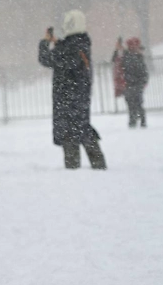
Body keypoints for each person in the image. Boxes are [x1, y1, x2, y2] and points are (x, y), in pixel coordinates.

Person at [38, 10, 107, 170]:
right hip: (79, 96)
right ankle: (98, 165)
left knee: (70, 133)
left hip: (67, 98)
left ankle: (74, 168)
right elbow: (67, 55)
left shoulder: (70, 48)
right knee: (83, 128)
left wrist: (44, 42)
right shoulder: (81, 43)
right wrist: (59, 43)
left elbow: (46, 58)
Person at [122, 38, 149, 128]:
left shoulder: (133, 57)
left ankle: (138, 120)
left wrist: (142, 81)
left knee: (136, 102)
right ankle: (136, 120)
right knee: (132, 102)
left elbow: (143, 71)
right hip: (131, 83)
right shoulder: (129, 56)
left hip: (134, 83)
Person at [111, 37, 127, 104]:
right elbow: (113, 59)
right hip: (119, 74)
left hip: (123, 74)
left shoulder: (125, 52)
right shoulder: (117, 52)